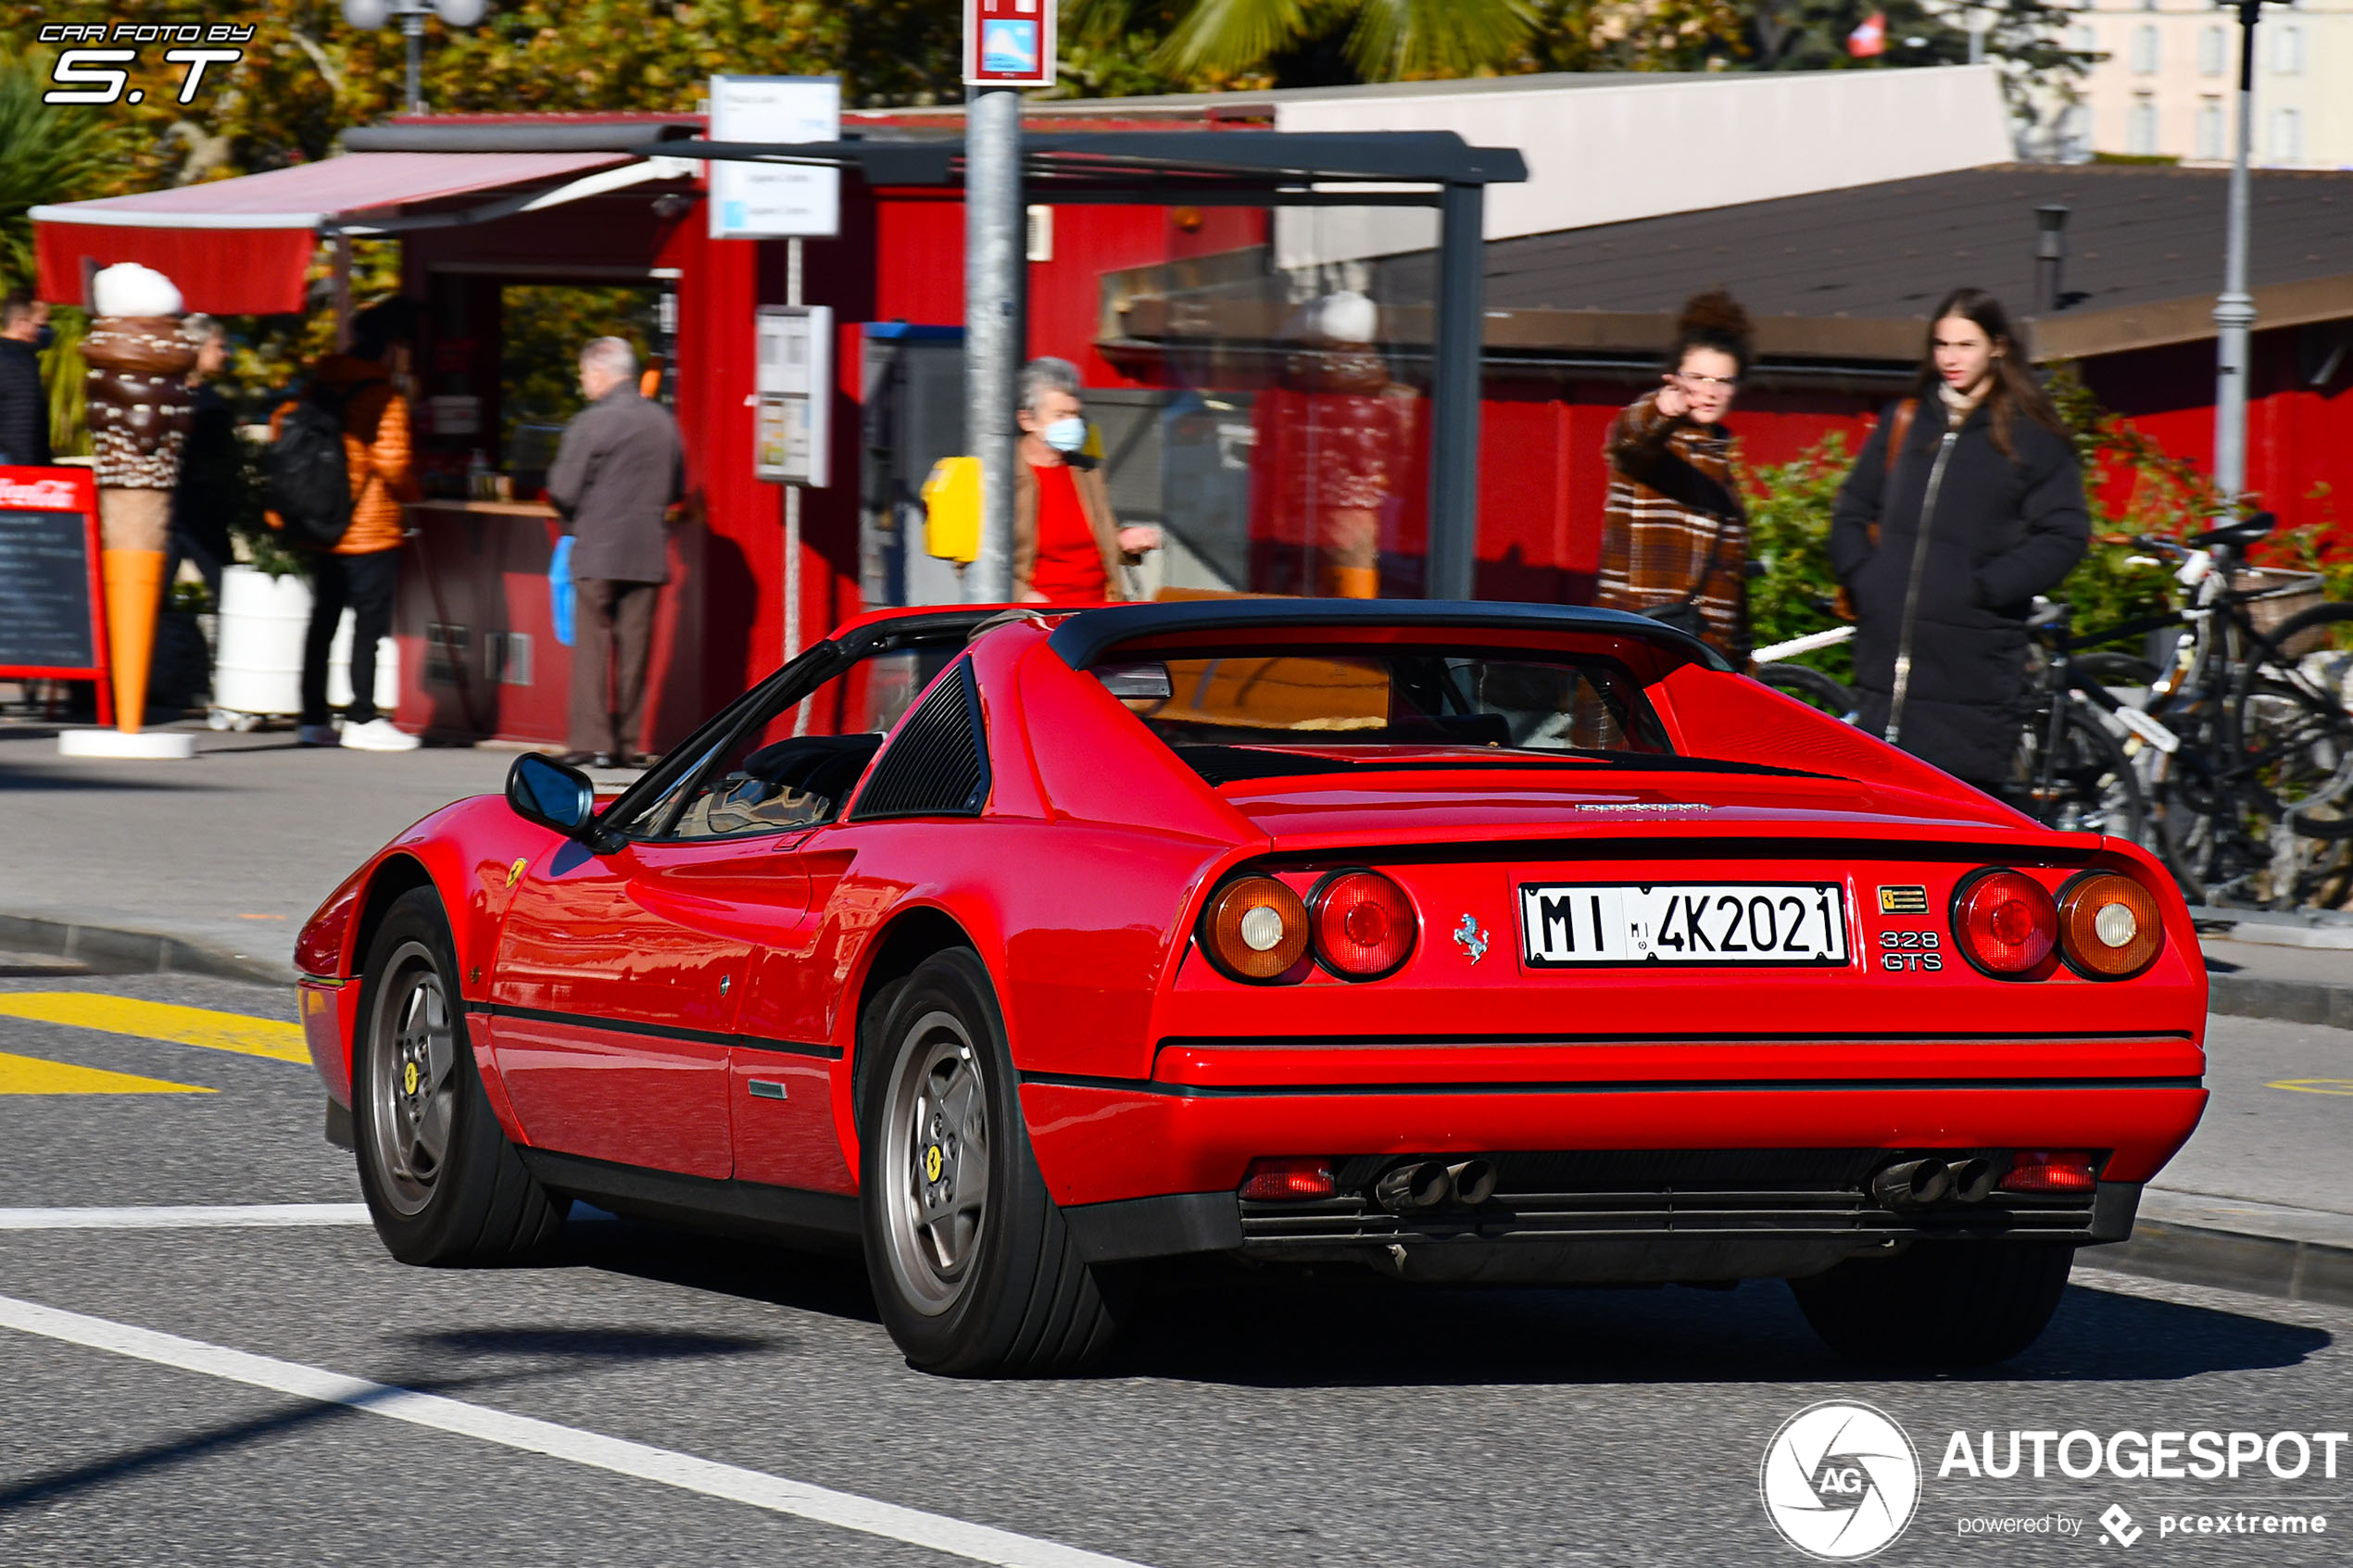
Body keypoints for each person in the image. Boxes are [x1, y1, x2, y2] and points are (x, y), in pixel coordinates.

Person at [1830, 287, 2090, 791]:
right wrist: (1866, 578)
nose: (1950, 358)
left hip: (1970, 674)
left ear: (1997, 346)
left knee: (1959, 830)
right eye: (1942, 344)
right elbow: (1852, 510)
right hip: (1884, 672)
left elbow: (2065, 533)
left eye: (1965, 345)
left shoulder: (2029, 436)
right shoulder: (1906, 421)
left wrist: (1987, 589)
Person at [272, 296, 422, 752]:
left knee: (323, 622)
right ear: (391, 348)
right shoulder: (383, 396)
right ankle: (362, 715)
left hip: (320, 524)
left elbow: (283, 426)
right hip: (369, 526)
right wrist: (417, 495)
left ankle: (313, 718)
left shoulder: (318, 386)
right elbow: (393, 464)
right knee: (368, 625)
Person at [1594, 289, 1754, 658]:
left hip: (1701, 655)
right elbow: (1632, 437)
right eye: (1697, 378)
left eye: (1723, 381)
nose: (1710, 392)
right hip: (1638, 644)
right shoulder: (1662, 446)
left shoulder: (1722, 473)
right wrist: (1662, 410)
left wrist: (1741, 662)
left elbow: (1731, 589)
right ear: (1674, 379)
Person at [547, 335, 682, 768]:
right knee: (635, 651)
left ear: (601, 372)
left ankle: (591, 741)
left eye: (585, 374)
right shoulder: (663, 422)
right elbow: (677, 487)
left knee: (592, 648)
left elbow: (563, 490)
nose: (584, 382)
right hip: (646, 551)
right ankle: (626, 743)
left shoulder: (591, 423)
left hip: (597, 550)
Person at [1013, 356, 1159, 604]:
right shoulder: (999, 476)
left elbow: (1100, 538)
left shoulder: (1087, 471)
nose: (1072, 423)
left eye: (1075, 414)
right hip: (1035, 622)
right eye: (1060, 415)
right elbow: (973, 561)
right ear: (1027, 420)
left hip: (1099, 614)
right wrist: (1022, 597)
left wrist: (1125, 539)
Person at [170, 315, 236, 605]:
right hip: (197, 514)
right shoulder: (204, 402)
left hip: (176, 511)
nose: (225, 354)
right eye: (218, 346)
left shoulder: (165, 393)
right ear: (196, 349)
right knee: (230, 594)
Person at [0, 291, 52, 469]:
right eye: (40, 324)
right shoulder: (16, 359)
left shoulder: (25, 356)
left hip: (24, 463)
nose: (44, 330)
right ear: (22, 323)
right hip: (11, 464)